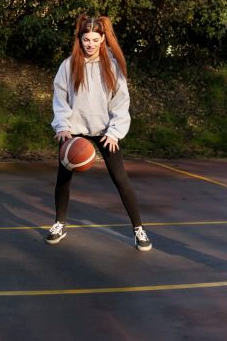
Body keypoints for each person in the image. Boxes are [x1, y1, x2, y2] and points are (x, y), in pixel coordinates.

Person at [48, 14, 151, 251]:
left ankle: (139, 229)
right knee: (63, 179)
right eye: (86, 39)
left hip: (105, 130)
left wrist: (115, 132)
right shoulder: (68, 65)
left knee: (121, 179)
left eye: (95, 39)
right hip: (74, 131)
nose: (90, 44)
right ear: (80, 39)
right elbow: (60, 99)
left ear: (103, 39)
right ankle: (59, 224)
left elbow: (120, 103)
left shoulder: (113, 66)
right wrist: (62, 125)